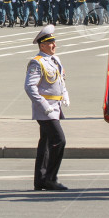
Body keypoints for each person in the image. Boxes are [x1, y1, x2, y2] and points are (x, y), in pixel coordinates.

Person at [24, 25, 70, 191]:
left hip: (55, 107)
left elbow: (60, 79)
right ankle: (51, 178)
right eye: (50, 43)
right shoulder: (36, 63)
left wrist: (64, 94)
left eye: (54, 42)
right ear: (42, 45)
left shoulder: (55, 60)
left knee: (46, 143)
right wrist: (44, 106)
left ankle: (41, 180)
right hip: (45, 110)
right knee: (60, 140)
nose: (54, 45)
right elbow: (30, 87)